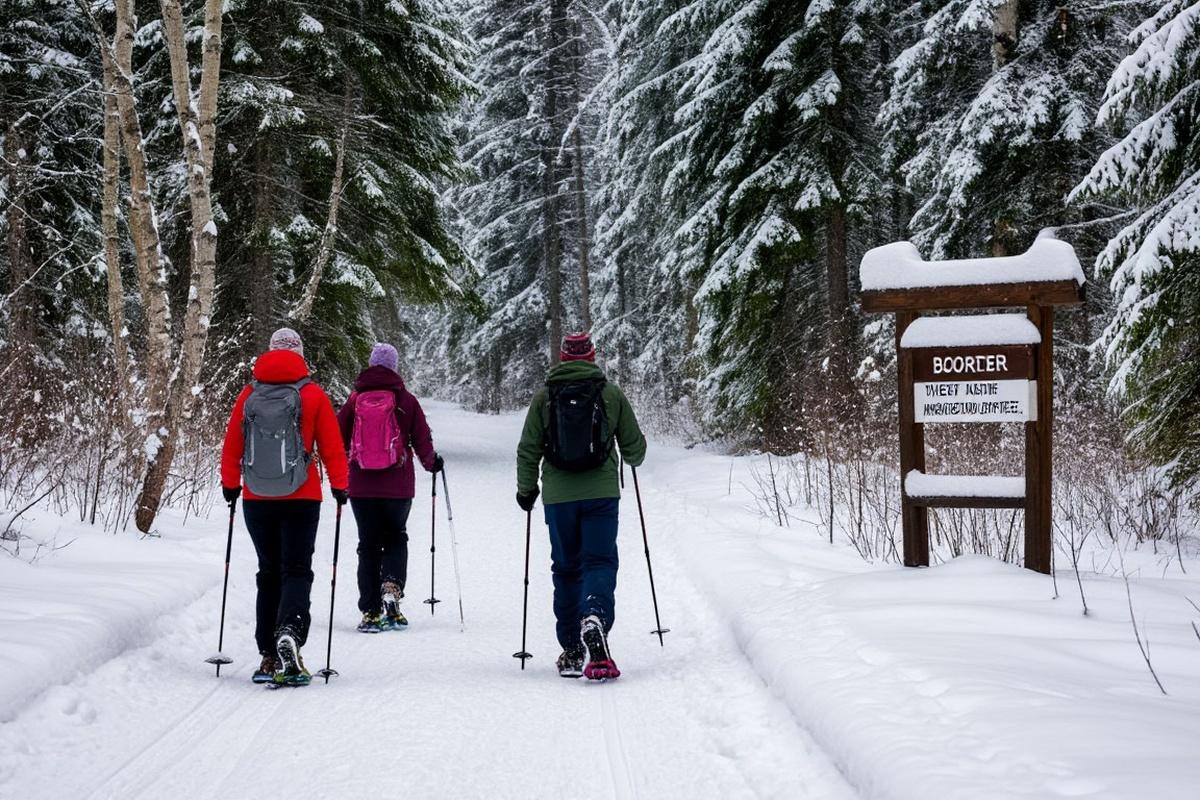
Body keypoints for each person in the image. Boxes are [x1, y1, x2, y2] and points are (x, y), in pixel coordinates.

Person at [220, 328, 350, 686]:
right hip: (302, 497)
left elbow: (232, 445)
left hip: (256, 498)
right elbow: (332, 447)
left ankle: (266, 655)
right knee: (296, 569)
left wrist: (231, 485)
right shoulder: (312, 395)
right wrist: (341, 486)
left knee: (269, 573)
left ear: (270, 352)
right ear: (300, 354)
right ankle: (290, 631)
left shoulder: (249, 394)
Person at [515, 332, 647, 680]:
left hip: (559, 498)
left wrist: (526, 490)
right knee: (599, 561)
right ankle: (595, 616)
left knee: (566, 568)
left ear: (562, 357)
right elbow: (635, 451)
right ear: (591, 356)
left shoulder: (545, 396)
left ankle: (572, 649)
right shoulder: (610, 393)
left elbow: (528, 448)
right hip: (601, 494)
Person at [337, 343, 442, 633]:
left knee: (368, 545)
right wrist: (432, 463)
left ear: (371, 365)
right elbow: (422, 439)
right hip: (397, 485)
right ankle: (392, 588)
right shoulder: (406, 400)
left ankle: (370, 611)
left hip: (361, 485)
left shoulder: (355, 399)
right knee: (396, 536)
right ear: (394, 367)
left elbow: (337, 434)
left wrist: (343, 468)